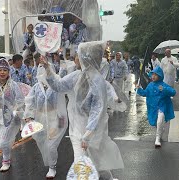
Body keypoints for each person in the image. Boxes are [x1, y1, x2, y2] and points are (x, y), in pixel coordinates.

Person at [42, 41, 124, 180]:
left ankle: (108, 177)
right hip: (77, 130)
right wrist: (48, 69)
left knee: (96, 159)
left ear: (87, 58)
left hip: (92, 131)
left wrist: (88, 134)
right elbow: (58, 86)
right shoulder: (76, 76)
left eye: (78, 56)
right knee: (81, 162)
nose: (75, 58)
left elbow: (97, 110)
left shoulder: (97, 81)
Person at [24, 64, 68, 178]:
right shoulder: (36, 87)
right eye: (41, 68)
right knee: (43, 143)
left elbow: (67, 84)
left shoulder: (57, 85)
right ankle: (50, 162)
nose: (43, 71)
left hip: (58, 118)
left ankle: (52, 167)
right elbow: (30, 101)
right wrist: (28, 116)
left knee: (51, 145)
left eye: (46, 68)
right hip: (41, 120)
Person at [136, 66, 176, 147]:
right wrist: (138, 89)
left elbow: (173, 92)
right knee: (155, 123)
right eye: (152, 74)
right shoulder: (150, 85)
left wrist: (164, 89)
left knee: (160, 120)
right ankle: (160, 129)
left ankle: (157, 138)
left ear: (160, 76)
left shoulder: (163, 85)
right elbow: (145, 93)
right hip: (153, 107)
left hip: (162, 107)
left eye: (156, 75)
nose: (153, 76)